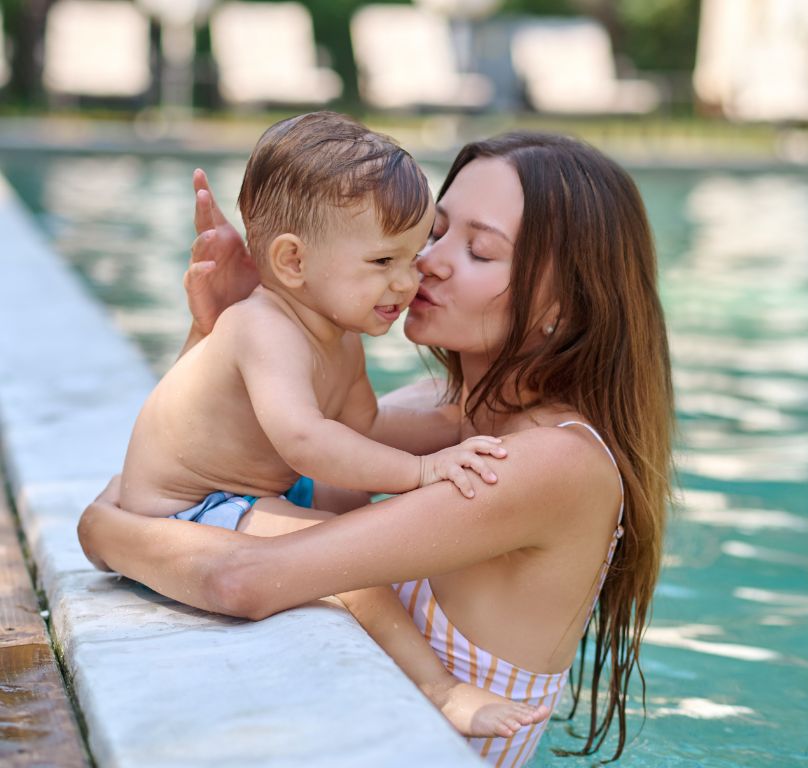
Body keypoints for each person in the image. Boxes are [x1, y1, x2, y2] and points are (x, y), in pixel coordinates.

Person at [79, 131, 674, 765]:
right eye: (435, 232)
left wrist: (98, 528)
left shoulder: (553, 463)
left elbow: (239, 576)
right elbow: (207, 468)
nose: (429, 262)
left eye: (478, 250)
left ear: (563, 304)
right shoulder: (436, 410)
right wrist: (226, 330)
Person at [113, 111, 544, 738]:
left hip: (252, 491)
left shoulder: (336, 336)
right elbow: (307, 442)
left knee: (353, 502)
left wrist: (461, 427)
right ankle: (440, 688)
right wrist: (425, 470)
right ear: (292, 262)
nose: (410, 278)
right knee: (352, 568)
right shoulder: (262, 328)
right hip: (189, 507)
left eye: (413, 251)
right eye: (382, 260)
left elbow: (364, 426)